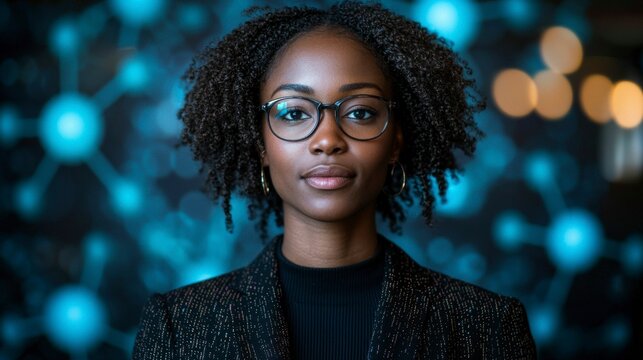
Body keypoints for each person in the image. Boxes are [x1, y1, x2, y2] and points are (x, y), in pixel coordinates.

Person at [132, 1, 537, 359]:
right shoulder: (178, 328)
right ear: (260, 144)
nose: (327, 140)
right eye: (294, 113)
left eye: (360, 112)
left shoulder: (486, 329)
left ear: (395, 141)